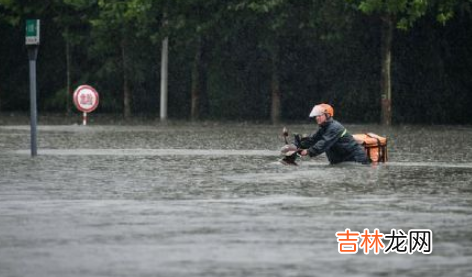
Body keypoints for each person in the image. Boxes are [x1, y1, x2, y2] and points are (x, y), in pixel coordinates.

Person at [298, 103, 369, 164]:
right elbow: (312, 140)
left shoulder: (335, 127)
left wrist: (308, 151)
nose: (317, 118)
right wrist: (298, 146)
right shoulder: (323, 128)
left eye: (319, 115)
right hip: (341, 160)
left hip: (356, 160)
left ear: (327, 115)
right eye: (316, 116)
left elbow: (324, 143)